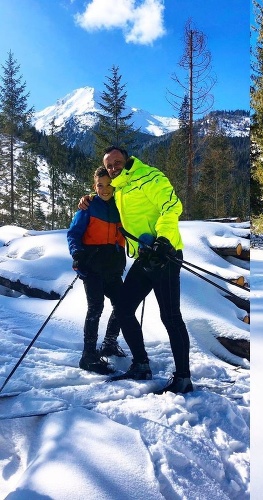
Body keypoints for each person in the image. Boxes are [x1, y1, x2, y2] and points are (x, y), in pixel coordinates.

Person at [79, 146, 193, 394]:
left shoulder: (150, 176)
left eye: (117, 162)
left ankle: (183, 378)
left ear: (127, 160)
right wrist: (88, 198)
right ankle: (141, 364)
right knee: (122, 308)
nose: (113, 167)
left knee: (170, 317)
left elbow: (172, 206)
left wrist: (163, 240)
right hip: (145, 258)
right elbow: (105, 192)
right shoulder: (118, 185)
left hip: (165, 254)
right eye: (109, 165)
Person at [67, 166, 126, 375]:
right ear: (95, 186)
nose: (105, 189)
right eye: (100, 185)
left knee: (123, 305)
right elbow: (73, 234)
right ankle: (88, 356)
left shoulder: (122, 205)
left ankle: (109, 343)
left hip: (113, 268)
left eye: (109, 184)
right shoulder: (88, 206)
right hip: (91, 266)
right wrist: (77, 255)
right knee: (96, 308)